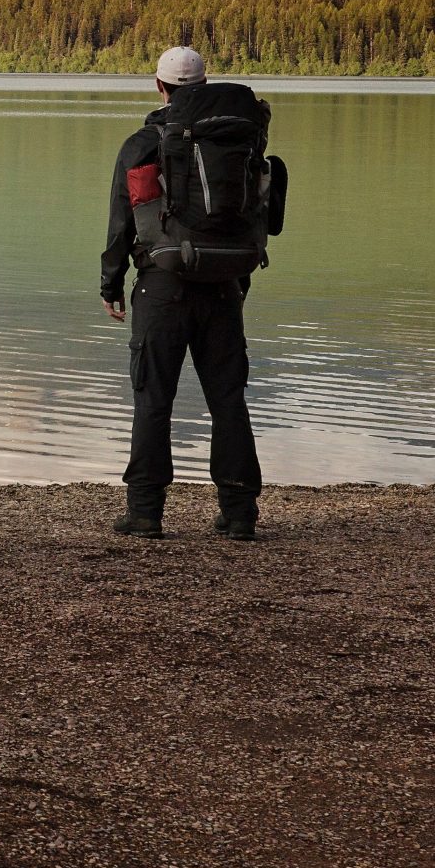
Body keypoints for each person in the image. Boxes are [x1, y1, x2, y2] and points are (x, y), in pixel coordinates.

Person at [101, 46, 266, 540]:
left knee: (153, 398)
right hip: (223, 284)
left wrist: (110, 282)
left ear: (160, 86)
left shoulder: (144, 143)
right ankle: (239, 513)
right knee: (228, 398)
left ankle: (146, 513)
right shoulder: (241, 137)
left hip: (162, 284)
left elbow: (121, 220)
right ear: (204, 83)